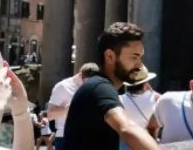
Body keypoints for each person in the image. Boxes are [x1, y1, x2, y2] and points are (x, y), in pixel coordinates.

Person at [61, 22, 160, 150]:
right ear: (110, 56)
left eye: (140, 57)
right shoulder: (100, 87)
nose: (139, 64)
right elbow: (127, 128)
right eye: (134, 57)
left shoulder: (99, 86)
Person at [47, 62, 99, 150]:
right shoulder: (63, 86)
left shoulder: (93, 87)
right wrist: (69, 108)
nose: (90, 85)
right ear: (80, 75)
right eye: (88, 81)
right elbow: (50, 115)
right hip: (66, 137)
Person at [118, 65, 160, 150]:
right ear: (146, 82)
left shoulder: (119, 99)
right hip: (148, 143)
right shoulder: (156, 98)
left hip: (125, 144)